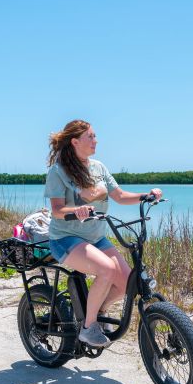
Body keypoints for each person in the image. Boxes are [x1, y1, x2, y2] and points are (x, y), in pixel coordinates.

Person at [44, 119, 162, 347]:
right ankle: (88, 328)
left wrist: (146, 195)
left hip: (96, 237)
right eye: (91, 136)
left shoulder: (98, 167)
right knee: (106, 270)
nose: (95, 140)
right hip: (66, 239)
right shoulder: (58, 171)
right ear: (75, 141)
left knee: (127, 283)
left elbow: (118, 196)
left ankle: (99, 311)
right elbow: (57, 211)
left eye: (95, 136)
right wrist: (76, 210)